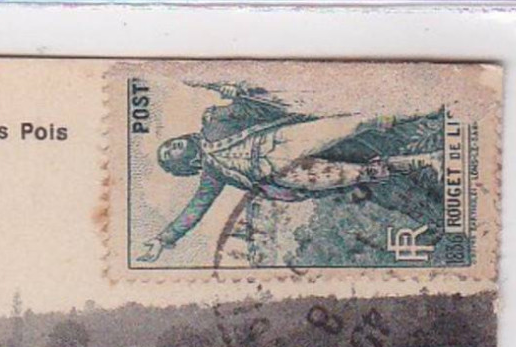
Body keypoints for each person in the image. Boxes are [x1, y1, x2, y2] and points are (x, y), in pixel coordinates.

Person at [138, 82, 447, 261]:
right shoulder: (213, 175)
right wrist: (164, 240)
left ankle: (430, 114)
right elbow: (195, 209)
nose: (171, 149)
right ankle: (429, 200)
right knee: (363, 175)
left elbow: (254, 106)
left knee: (359, 126)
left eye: (170, 145)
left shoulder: (215, 123)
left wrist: (237, 91)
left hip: (287, 140)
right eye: (169, 156)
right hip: (286, 173)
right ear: (185, 166)